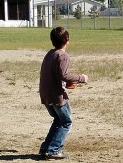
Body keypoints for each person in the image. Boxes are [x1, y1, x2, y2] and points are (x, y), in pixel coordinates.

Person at [38, 27, 89, 159]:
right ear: (67, 40)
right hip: (57, 96)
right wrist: (81, 78)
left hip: (46, 93)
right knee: (66, 121)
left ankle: (45, 148)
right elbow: (65, 75)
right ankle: (53, 150)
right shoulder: (63, 56)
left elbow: (53, 75)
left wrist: (65, 83)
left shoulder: (50, 53)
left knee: (58, 119)